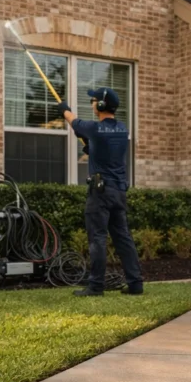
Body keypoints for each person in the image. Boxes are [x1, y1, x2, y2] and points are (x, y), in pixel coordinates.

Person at [57, 88, 143, 297]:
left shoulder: (95, 128)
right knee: (123, 238)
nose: (92, 104)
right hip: (119, 191)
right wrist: (92, 149)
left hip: (101, 193)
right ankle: (135, 284)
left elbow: (74, 123)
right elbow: (105, 148)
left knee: (97, 238)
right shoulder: (122, 129)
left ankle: (96, 286)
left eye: (94, 100)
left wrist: (64, 109)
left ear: (102, 106)